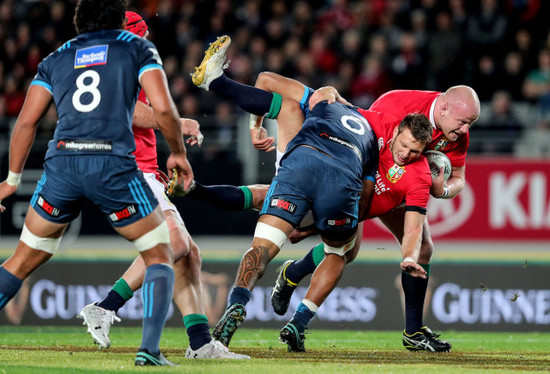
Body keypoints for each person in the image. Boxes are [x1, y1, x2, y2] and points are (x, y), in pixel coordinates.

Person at [190, 36, 433, 351]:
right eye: (404, 147)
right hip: (339, 179)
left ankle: (238, 300)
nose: (407, 155)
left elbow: (265, 83)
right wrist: (311, 230)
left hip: (298, 165)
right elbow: (362, 197)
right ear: (394, 132)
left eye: (414, 152)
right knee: (343, 250)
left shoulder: (324, 100)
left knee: (262, 240)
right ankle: (299, 317)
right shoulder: (374, 143)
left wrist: (253, 124)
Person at [0, 0, 194, 366]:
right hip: (111, 165)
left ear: (78, 24)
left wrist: (11, 180)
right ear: (119, 22)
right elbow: (165, 109)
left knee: (22, 260)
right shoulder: (135, 46)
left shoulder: (56, 57)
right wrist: (178, 154)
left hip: (62, 166)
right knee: (160, 251)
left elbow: (25, 122)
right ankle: (149, 352)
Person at [76, 12, 249, 360]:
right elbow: (129, 111)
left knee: (189, 255)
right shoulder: (123, 60)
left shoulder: (100, 59)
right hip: (131, 168)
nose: (147, 40)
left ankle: (200, 343)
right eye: (144, 33)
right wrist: (175, 121)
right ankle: (106, 306)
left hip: (137, 169)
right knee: (175, 242)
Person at [269, 82, 480, 352]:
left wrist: (444, 189)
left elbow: (459, 178)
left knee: (422, 248)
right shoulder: (397, 104)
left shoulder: (458, 130)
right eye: (463, 122)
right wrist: (333, 93)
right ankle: (292, 272)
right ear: (444, 107)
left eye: (470, 124)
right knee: (347, 249)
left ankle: (413, 332)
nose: (465, 130)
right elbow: (358, 127)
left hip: (400, 186)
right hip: (363, 175)